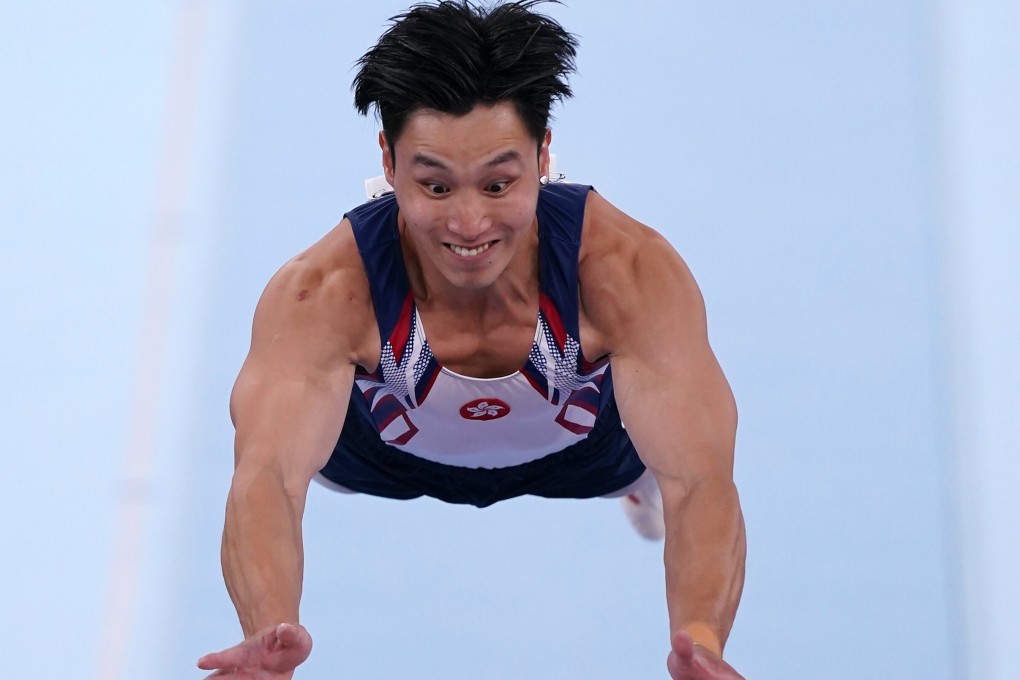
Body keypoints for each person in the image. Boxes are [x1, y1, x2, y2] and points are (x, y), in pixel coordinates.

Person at [197, 2, 746, 678]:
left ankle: (634, 485)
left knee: (667, 464)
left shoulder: (625, 274)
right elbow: (268, 480)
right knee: (295, 451)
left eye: (497, 183)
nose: (466, 222)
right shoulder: (327, 292)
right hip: (379, 457)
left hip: (589, 453)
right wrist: (266, 630)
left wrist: (702, 642)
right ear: (388, 161)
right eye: (434, 184)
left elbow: (700, 483)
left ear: (545, 155)